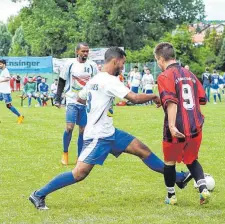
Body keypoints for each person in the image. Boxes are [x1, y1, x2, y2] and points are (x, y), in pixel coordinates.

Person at [29, 47, 191, 210]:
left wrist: (98, 108)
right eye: (123, 63)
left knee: (142, 150)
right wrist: (155, 96)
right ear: (115, 60)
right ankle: (39, 194)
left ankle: (179, 178)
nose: (123, 66)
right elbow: (134, 98)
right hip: (98, 136)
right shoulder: (109, 80)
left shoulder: (95, 79)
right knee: (79, 174)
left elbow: (80, 98)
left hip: (110, 132)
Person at [154, 42, 210, 205]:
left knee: (169, 162)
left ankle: (171, 196)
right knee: (191, 159)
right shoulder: (190, 74)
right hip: (195, 126)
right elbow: (202, 99)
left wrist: (171, 126)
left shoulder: (164, 76)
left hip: (177, 127)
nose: (158, 63)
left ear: (161, 59)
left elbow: (172, 102)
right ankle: (203, 189)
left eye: (157, 60)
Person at [54, 42, 99, 165]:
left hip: (86, 102)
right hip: (71, 100)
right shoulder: (69, 64)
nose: (85, 53)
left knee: (83, 130)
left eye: (87, 51)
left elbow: (97, 82)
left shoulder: (92, 65)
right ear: (77, 52)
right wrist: (57, 98)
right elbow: (62, 81)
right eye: (83, 51)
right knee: (69, 128)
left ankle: (80, 156)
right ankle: (65, 153)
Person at [0, 59, 24, 124]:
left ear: (4, 64)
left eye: (0, 64)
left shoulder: (6, 71)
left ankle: (20, 116)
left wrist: (1, 81)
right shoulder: (2, 71)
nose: (0, 65)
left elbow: (8, 78)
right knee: (8, 105)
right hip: (1, 91)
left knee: (9, 106)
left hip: (5, 92)